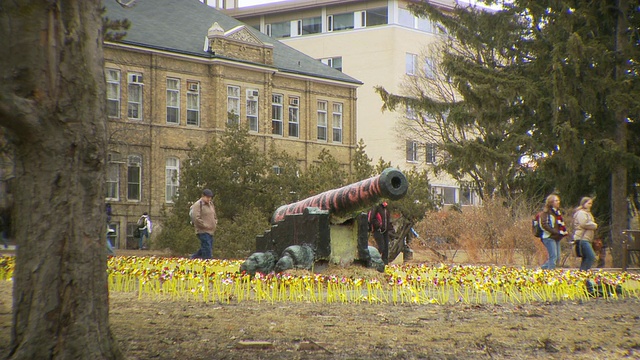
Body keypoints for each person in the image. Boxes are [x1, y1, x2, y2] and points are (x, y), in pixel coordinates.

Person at [539, 194, 568, 270]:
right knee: (553, 257)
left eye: (558, 200)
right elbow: (544, 224)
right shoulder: (545, 212)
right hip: (548, 237)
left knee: (557, 258)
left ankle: (543, 269)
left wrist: (561, 232)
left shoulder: (557, 213)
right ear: (551, 202)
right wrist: (555, 232)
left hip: (556, 237)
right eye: (556, 200)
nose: (558, 202)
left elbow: (559, 225)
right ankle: (549, 274)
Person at [190, 189, 218, 259]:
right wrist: (204, 225)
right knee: (207, 247)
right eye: (207, 197)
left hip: (211, 230)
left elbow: (214, 215)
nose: (209, 199)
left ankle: (193, 258)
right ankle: (207, 262)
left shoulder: (211, 204)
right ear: (203, 196)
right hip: (202, 230)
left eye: (210, 197)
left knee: (206, 247)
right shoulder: (198, 205)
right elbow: (196, 217)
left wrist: (215, 222)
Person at [572, 197, 598, 271]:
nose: (590, 205)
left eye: (591, 203)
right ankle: (584, 272)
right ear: (583, 204)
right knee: (591, 256)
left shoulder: (588, 213)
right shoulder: (581, 213)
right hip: (582, 238)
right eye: (588, 203)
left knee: (586, 257)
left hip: (587, 238)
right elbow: (584, 223)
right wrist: (594, 225)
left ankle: (583, 274)